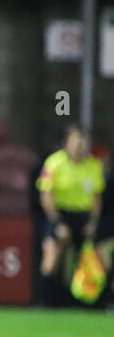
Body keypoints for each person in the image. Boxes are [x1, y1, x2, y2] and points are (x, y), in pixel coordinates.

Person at [36, 125, 104, 305]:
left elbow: (96, 199)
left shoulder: (94, 165)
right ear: (67, 143)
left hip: (83, 216)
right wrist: (58, 223)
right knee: (51, 259)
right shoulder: (54, 163)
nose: (80, 146)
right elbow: (46, 196)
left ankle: (97, 303)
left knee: (98, 259)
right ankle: (42, 304)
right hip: (59, 214)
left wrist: (93, 223)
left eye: (83, 141)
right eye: (76, 141)